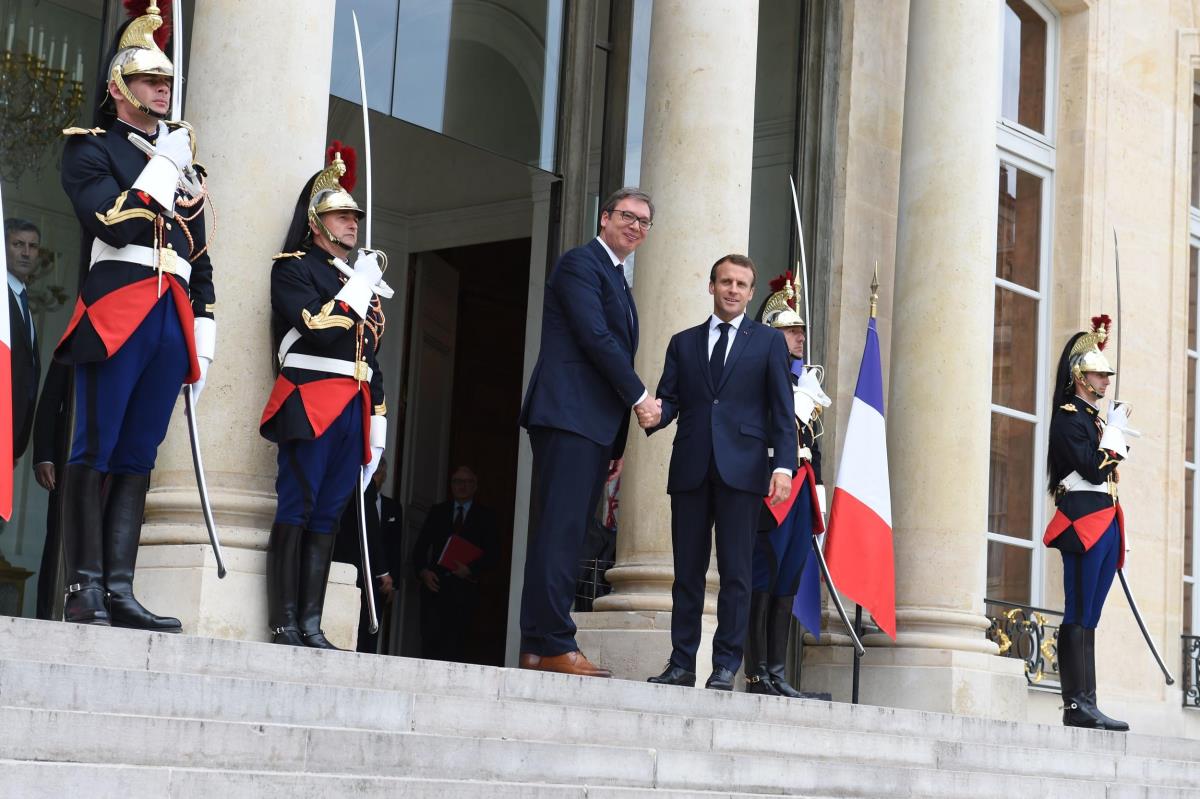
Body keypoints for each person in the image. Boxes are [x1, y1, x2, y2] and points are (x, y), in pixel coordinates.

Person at [56, 3, 215, 630]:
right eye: (150, 80)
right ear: (120, 88)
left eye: (167, 80)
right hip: (118, 308)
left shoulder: (183, 164)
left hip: (170, 315)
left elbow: (198, 255)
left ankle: (120, 588)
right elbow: (111, 221)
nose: (163, 89)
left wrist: (204, 330)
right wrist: (163, 166)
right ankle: (83, 586)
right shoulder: (90, 148)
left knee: (138, 456)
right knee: (95, 446)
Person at [517, 187, 661, 677]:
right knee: (560, 533)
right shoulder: (581, 264)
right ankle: (555, 642)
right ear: (604, 218)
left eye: (644, 222)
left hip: (592, 425)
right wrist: (640, 398)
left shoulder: (618, 278)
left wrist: (615, 442)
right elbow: (595, 338)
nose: (635, 226)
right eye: (628, 216)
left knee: (566, 532)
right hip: (568, 416)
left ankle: (538, 645)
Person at [645, 254, 795, 691]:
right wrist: (655, 414)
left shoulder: (768, 342)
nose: (732, 289)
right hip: (691, 468)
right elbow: (671, 400)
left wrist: (783, 466)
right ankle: (681, 664)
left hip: (744, 471)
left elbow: (782, 411)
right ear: (711, 286)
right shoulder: (683, 343)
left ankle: (726, 665)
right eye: (725, 281)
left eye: (740, 284)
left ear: (750, 293)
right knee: (686, 575)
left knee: (736, 574)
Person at [260, 145, 387, 649]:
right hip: (310, 399)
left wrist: (378, 417)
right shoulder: (294, 268)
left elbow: (370, 355)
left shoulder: (355, 279)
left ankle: (311, 624)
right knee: (298, 505)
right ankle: (284, 621)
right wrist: (358, 290)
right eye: (341, 215)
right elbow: (318, 327)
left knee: (330, 513)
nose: (353, 223)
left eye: (355, 217)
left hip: (353, 406)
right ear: (316, 223)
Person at [1044, 315, 1132, 731]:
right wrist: (1114, 434)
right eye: (1099, 374)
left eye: (1107, 374)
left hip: (1106, 520)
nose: (1106, 381)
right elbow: (1095, 470)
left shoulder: (1093, 419)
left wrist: (1110, 430)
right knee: (1078, 610)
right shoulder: (1068, 418)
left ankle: (1089, 702)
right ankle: (1075, 704)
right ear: (1080, 376)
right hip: (1083, 521)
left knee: (1091, 615)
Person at [745, 274, 829, 697]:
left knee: (789, 576)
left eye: (800, 330)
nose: (800, 337)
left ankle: (777, 671)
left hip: (802, 486)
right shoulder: (757, 375)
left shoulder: (805, 383)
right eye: (790, 329)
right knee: (764, 573)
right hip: (772, 485)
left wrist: (819, 493)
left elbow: (813, 445)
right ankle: (756, 673)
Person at [412, 465, 498, 662]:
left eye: (467, 482)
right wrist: (423, 572)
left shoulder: (486, 516)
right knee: (431, 644)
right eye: (458, 481)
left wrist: (470, 570)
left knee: (460, 647)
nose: (462, 486)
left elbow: (493, 555)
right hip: (436, 588)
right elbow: (420, 548)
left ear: (475, 486)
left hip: (465, 591)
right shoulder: (438, 511)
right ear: (451, 485)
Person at [335, 454, 401, 653]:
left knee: (369, 628)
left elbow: (394, 546)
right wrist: (383, 572)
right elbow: (369, 530)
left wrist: (393, 581)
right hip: (358, 569)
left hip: (372, 577)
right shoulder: (363, 485)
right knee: (360, 624)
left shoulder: (391, 506)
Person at [31, 360, 72, 620]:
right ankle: (47, 613)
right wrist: (44, 456)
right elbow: (50, 400)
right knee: (58, 536)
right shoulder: (71, 342)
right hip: (66, 456)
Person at [5, 218, 42, 462]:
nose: (26, 253)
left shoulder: (22, 298)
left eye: (33, 246)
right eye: (18, 244)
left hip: (13, 437)